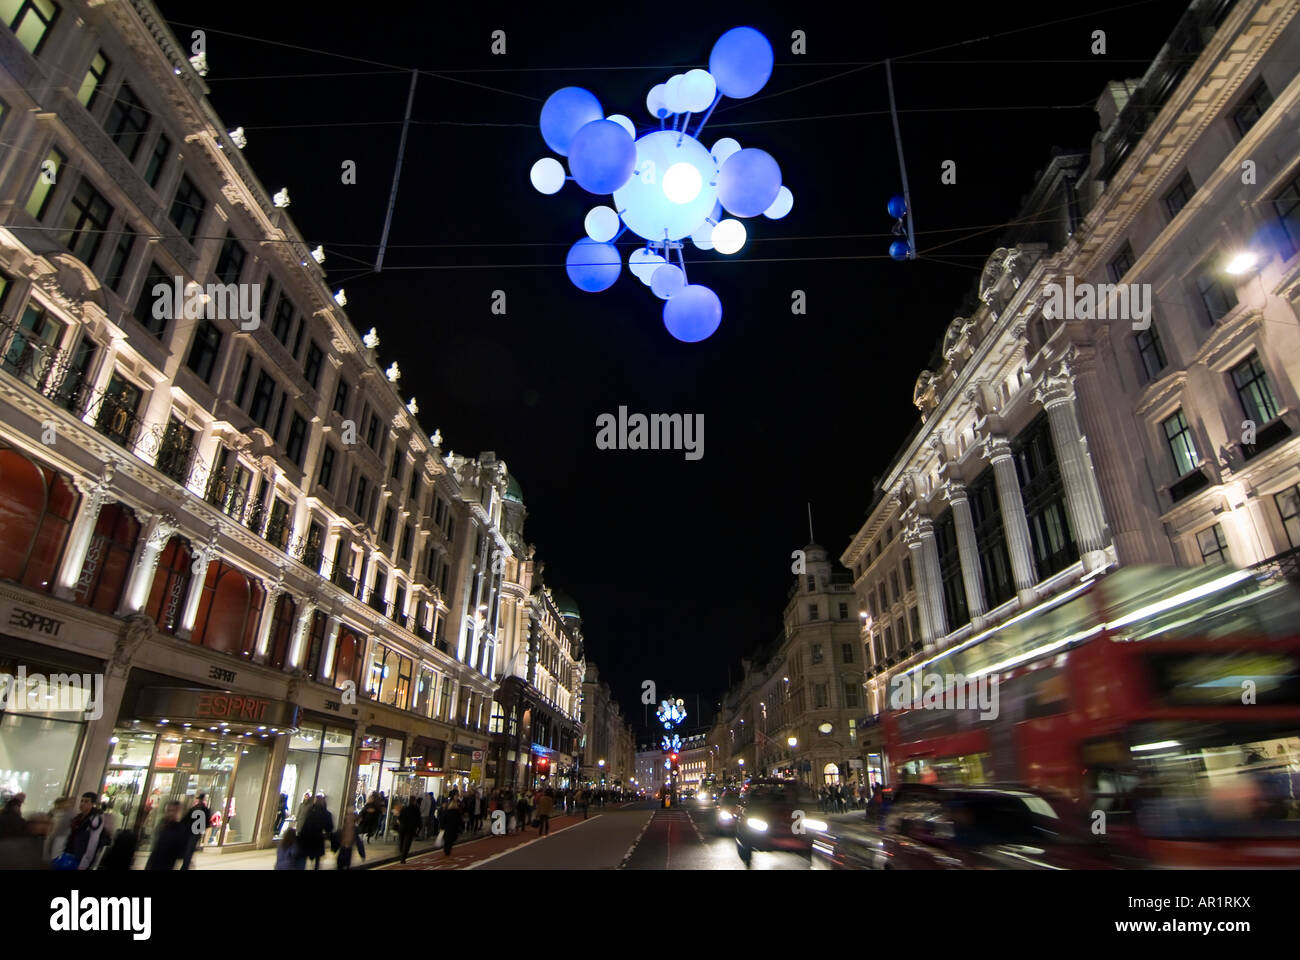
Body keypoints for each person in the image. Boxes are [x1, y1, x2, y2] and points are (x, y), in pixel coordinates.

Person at [64, 792, 107, 871]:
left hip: (80, 857)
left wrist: (84, 864)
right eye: (82, 801)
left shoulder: (95, 819)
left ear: (92, 804)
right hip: (71, 854)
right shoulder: (79, 817)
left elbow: (93, 842)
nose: (82, 804)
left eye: (86, 801)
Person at [145, 802, 189, 870]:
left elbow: (181, 852)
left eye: (174, 811)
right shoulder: (162, 823)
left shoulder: (180, 828)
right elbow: (156, 843)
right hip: (156, 860)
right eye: (169, 811)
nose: (171, 814)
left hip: (168, 862)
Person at [298, 793, 334, 869]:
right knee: (316, 861)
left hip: (306, 837)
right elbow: (329, 828)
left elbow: (305, 823)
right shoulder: (325, 813)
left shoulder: (311, 810)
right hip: (317, 839)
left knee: (303, 857)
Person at [181, 793, 210, 870]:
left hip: (194, 832)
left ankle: (185, 865)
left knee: (189, 849)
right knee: (189, 849)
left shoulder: (196, 809)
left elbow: (186, 819)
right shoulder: (202, 809)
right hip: (193, 831)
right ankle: (186, 864)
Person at [397, 795, 422, 863]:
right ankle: (403, 857)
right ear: (414, 801)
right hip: (411, 828)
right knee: (407, 843)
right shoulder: (416, 809)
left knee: (401, 841)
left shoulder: (404, 808)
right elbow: (419, 819)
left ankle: (401, 852)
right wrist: (419, 828)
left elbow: (399, 817)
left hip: (403, 827)